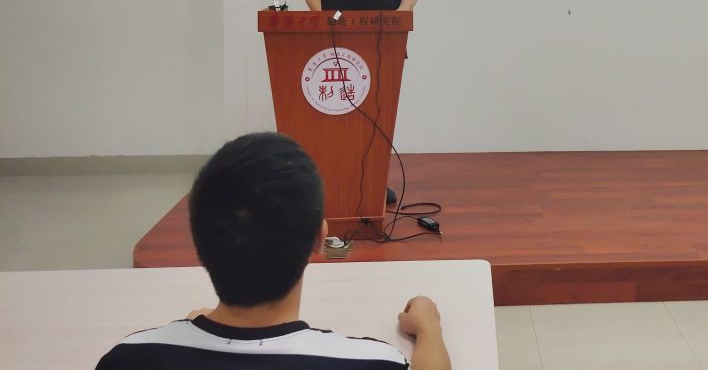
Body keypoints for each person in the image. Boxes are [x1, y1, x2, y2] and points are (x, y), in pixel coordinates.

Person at [95, 132, 451, 370]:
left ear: (198, 237)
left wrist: (190, 332)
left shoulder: (125, 359)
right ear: (319, 239)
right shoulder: (373, 362)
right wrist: (429, 328)